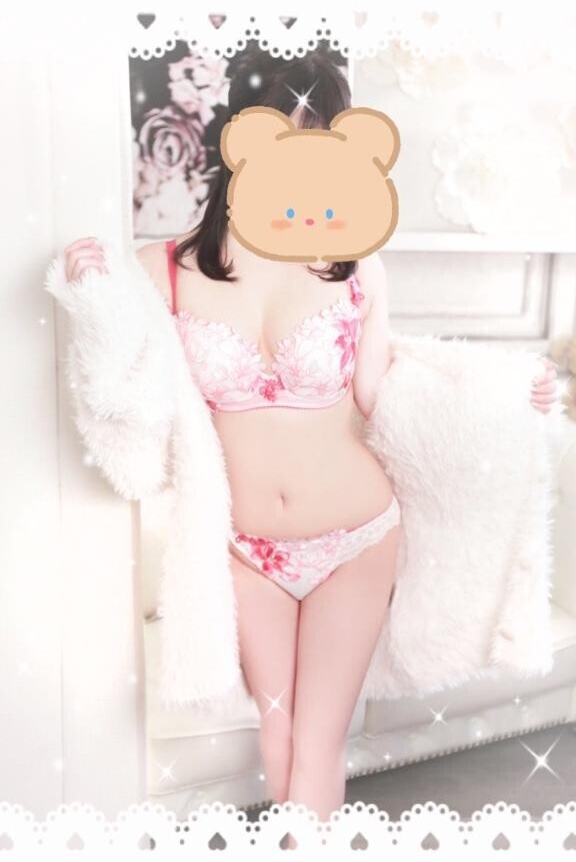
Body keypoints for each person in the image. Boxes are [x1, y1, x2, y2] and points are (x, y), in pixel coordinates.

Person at [63, 49, 559, 822]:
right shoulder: (166, 267)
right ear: (239, 142)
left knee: (319, 742)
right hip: (246, 551)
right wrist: (92, 296)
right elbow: (126, 395)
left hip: (357, 539)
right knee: (280, 732)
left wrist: (503, 394)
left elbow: (384, 391)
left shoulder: (355, 261)